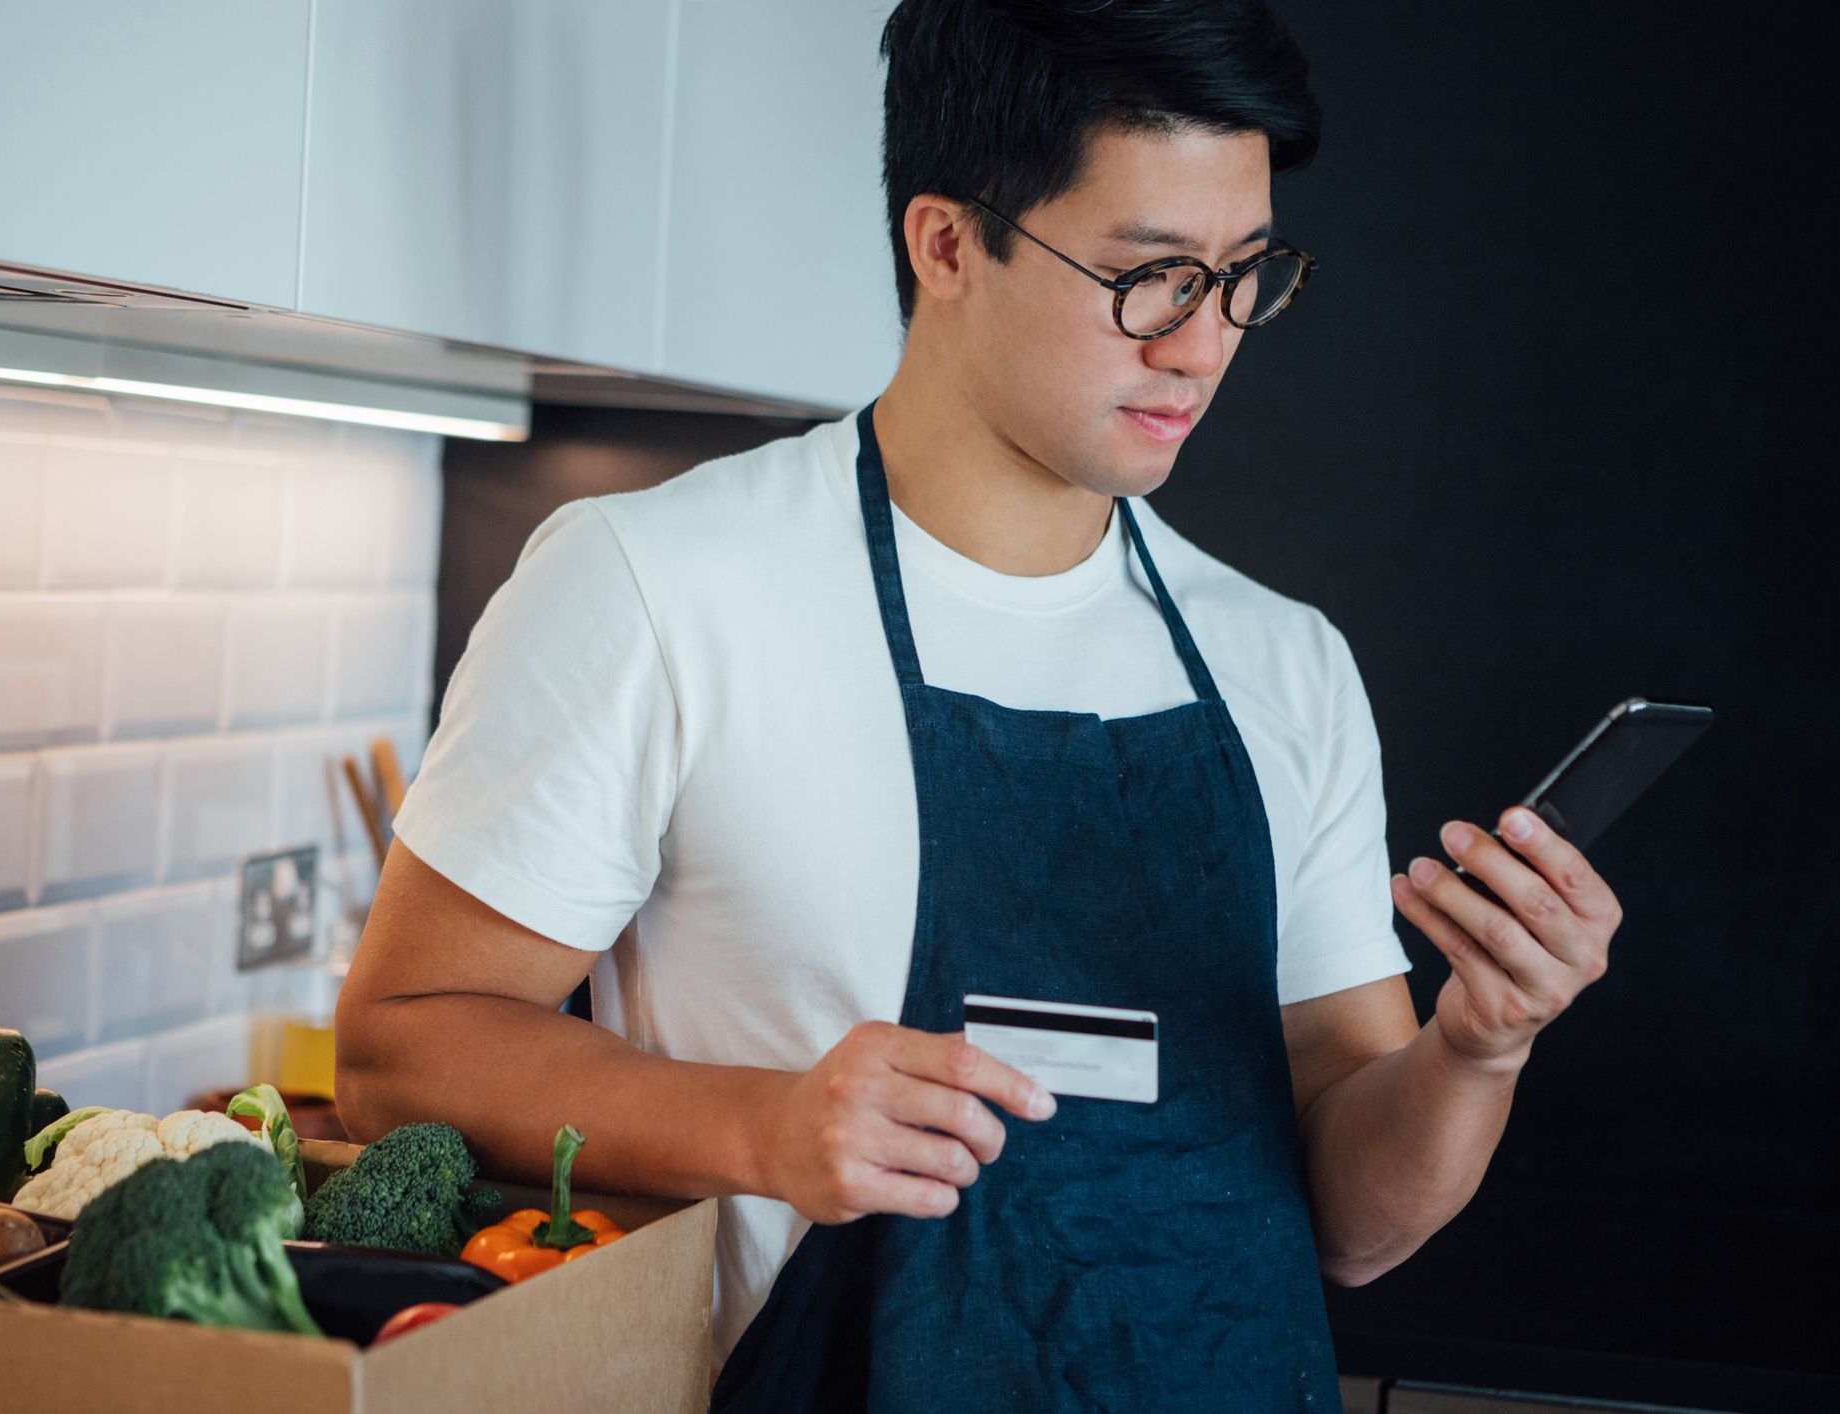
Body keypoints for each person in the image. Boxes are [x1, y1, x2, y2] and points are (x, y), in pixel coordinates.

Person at [334, 1, 1626, 1407]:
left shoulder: (1284, 662)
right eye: (1150, 278)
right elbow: (401, 1042)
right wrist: (765, 1124)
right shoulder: (656, 586)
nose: (1203, 346)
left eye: (1245, 274)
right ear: (945, 242)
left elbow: (1355, 1225)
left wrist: (1475, 1047)